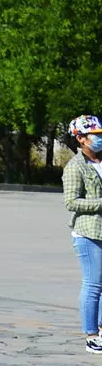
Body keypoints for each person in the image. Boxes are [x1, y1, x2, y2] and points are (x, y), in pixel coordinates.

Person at [68, 115, 102, 353]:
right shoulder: (75, 167)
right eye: (95, 136)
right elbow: (71, 202)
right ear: (80, 139)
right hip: (88, 233)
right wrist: (100, 203)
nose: (99, 139)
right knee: (93, 284)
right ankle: (91, 336)